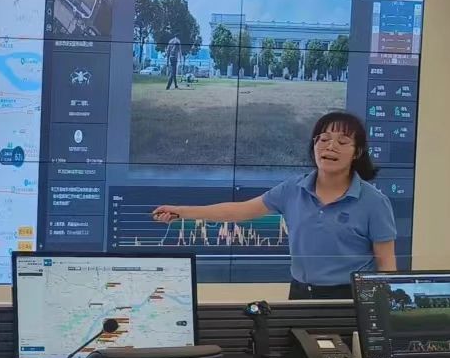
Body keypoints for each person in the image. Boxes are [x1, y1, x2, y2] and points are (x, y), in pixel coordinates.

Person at [151, 110, 397, 299]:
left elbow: (386, 263)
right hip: (301, 293)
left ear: (357, 152)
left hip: (350, 298)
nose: (330, 146)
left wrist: (383, 313)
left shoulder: (373, 202)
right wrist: (182, 212)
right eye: (323, 139)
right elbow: (239, 211)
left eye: (342, 142)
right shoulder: (292, 189)